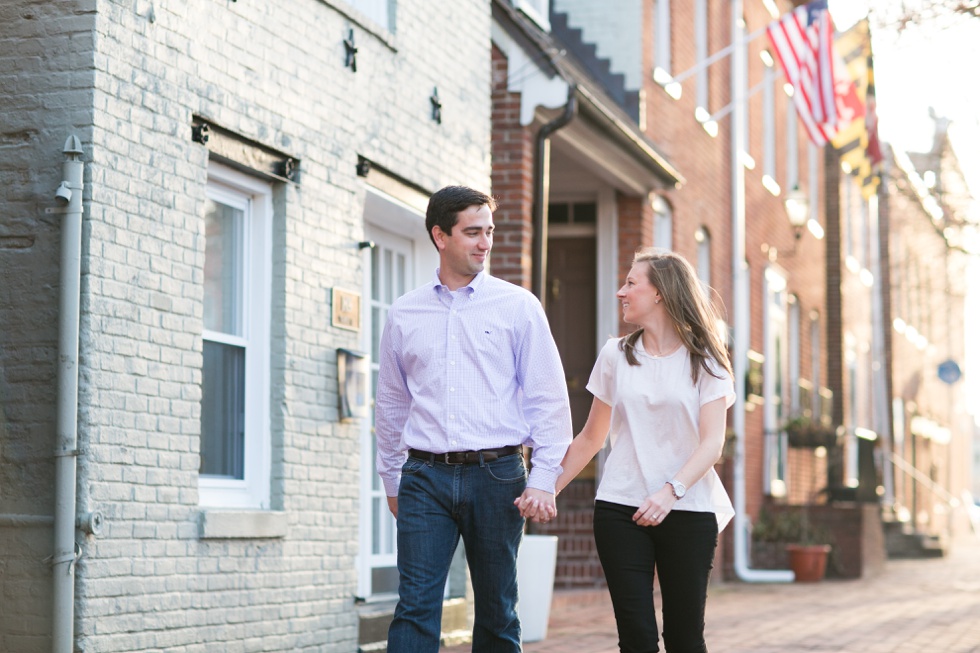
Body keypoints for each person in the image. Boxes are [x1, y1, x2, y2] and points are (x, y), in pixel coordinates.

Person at [375, 185, 573, 652]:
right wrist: (391, 479)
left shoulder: (518, 306)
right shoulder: (405, 312)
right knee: (415, 608)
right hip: (424, 476)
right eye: (472, 232)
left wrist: (543, 478)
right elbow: (391, 404)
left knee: (497, 610)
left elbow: (549, 399)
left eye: (489, 231)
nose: (485, 242)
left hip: (498, 475)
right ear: (439, 236)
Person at [521, 247, 735, 653]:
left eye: (631, 284)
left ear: (660, 293)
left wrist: (670, 491)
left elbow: (713, 443)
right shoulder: (615, 355)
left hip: (688, 509)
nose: (621, 292)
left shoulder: (706, 361)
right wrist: (546, 485)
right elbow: (590, 437)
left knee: (685, 639)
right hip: (620, 507)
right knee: (636, 638)